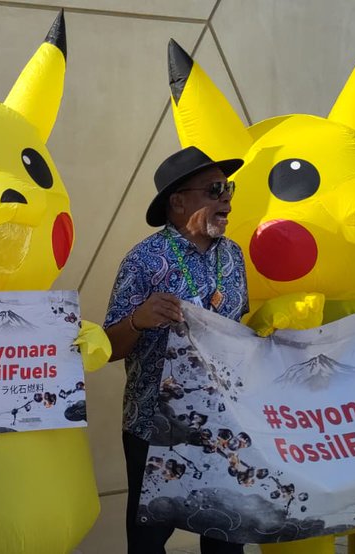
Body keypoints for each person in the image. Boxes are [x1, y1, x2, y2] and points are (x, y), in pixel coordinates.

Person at [103, 146, 250, 554]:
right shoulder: (143, 260)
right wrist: (137, 321)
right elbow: (107, 349)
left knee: (225, 537)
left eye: (229, 189)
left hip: (223, 425)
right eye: (215, 189)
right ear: (178, 201)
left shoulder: (234, 257)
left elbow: (242, 330)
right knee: (149, 540)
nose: (226, 199)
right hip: (156, 426)